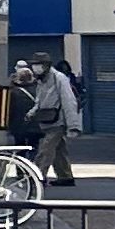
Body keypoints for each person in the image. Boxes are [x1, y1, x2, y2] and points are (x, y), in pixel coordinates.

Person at [16, 55, 83, 187]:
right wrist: (32, 112)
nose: (35, 68)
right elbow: (40, 100)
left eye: (38, 64)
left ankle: (37, 176)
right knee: (58, 150)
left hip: (59, 120)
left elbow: (69, 100)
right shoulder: (41, 80)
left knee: (45, 149)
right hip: (47, 119)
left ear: (46, 66)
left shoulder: (59, 78)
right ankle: (65, 177)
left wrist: (73, 125)